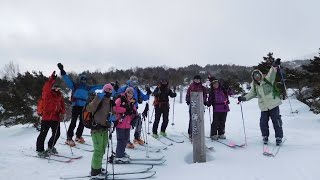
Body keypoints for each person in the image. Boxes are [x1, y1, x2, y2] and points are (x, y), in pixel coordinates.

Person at [238, 58, 284, 146]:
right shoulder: (255, 86)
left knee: (276, 121)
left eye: (258, 75)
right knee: (263, 122)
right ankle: (265, 136)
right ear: (253, 77)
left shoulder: (268, 80)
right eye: (255, 76)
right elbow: (251, 94)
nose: (257, 76)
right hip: (263, 107)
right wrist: (244, 98)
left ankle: (279, 137)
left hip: (273, 104)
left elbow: (272, 73)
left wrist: (274, 66)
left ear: (260, 75)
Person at [57, 63, 103, 146]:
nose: (84, 81)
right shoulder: (75, 86)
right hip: (76, 106)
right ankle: (69, 138)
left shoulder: (87, 87)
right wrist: (62, 71)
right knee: (73, 122)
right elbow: (67, 80)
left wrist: (108, 86)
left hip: (83, 106)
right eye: (83, 79)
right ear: (80, 79)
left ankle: (78, 136)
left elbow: (97, 87)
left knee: (82, 122)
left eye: (85, 80)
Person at [112, 75, 151, 148]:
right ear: (130, 81)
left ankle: (137, 137)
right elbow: (115, 94)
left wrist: (148, 92)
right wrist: (115, 88)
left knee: (138, 121)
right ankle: (127, 141)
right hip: (124, 110)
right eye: (133, 81)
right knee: (127, 125)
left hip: (133, 110)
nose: (134, 83)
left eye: (136, 81)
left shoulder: (137, 90)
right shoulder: (125, 88)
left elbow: (145, 98)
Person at [85, 83, 114, 178]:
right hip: (96, 129)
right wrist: (97, 99)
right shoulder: (99, 98)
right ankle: (94, 172)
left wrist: (112, 119)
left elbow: (111, 114)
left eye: (110, 90)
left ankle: (98, 167)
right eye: (107, 90)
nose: (109, 91)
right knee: (98, 151)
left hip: (105, 129)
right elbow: (89, 108)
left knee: (102, 150)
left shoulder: (110, 101)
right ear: (104, 90)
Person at [36, 71, 66, 157]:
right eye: (55, 88)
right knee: (43, 134)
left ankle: (50, 146)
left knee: (57, 134)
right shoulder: (47, 94)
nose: (57, 89)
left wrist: (62, 112)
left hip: (56, 118)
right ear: (52, 88)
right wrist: (52, 79)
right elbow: (46, 87)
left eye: (58, 88)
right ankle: (40, 150)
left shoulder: (59, 96)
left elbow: (62, 106)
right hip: (47, 117)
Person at [113, 87, 137, 163]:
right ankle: (118, 156)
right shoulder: (121, 99)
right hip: (120, 123)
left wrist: (134, 113)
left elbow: (134, 110)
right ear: (126, 92)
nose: (130, 94)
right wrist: (125, 110)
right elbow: (115, 108)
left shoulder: (132, 101)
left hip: (128, 124)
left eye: (131, 93)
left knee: (125, 139)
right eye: (128, 92)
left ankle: (121, 153)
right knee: (121, 140)